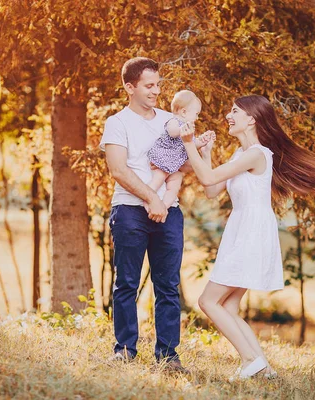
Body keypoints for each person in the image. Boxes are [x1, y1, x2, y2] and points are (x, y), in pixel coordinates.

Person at [180, 95, 315, 380]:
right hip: (243, 230)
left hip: (250, 232)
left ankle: (250, 360)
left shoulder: (257, 154)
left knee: (208, 302)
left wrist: (188, 142)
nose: (228, 114)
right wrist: (206, 152)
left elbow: (209, 179)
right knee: (229, 306)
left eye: (235, 110)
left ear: (252, 119)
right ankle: (264, 367)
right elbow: (212, 189)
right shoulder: (241, 155)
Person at [99, 57, 188, 373]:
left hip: (169, 212)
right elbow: (118, 169)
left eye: (158, 84)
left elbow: (184, 161)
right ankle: (124, 350)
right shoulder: (117, 123)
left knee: (168, 286)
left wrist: (165, 198)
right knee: (126, 283)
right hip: (129, 212)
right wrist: (152, 198)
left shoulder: (169, 121)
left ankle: (168, 356)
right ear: (129, 87)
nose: (156, 91)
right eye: (149, 85)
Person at [146, 90, 215, 211]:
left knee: (175, 185)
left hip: (175, 165)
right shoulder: (174, 121)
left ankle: (164, 207)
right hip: (164, 159)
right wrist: (182, 130)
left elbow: (191, 144)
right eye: (196, 113)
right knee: (157, 180)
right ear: (184, 112)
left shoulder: (188, 129)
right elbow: (173, 133)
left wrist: (202, 141)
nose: (197, 117)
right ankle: (146, 202)